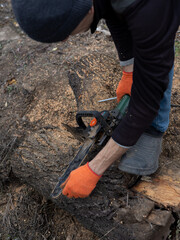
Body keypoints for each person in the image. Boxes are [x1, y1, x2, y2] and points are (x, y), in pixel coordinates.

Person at [12, 0, 180, 198]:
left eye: (66, 32)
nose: (65, 40)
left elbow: (146, 100)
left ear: (87, 9)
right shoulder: (100, 4)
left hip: (156, 9)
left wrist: (95, 168)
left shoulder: (150, 14)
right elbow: (111, 10)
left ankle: (154, 129)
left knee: (152, 63)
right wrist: (129, 71)